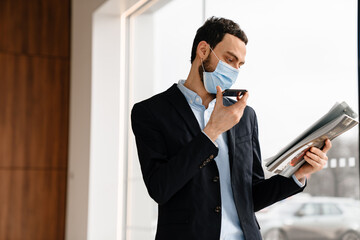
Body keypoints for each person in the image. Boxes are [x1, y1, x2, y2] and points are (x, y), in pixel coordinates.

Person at [131, 17, 331, 240]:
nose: (235, 70)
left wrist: (298, 175)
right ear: (204, 50)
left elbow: (251, 195)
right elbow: (160, 188)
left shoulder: (245, 115)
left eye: (240, 65)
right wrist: (211, 133)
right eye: (229, 59)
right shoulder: (151, 112)